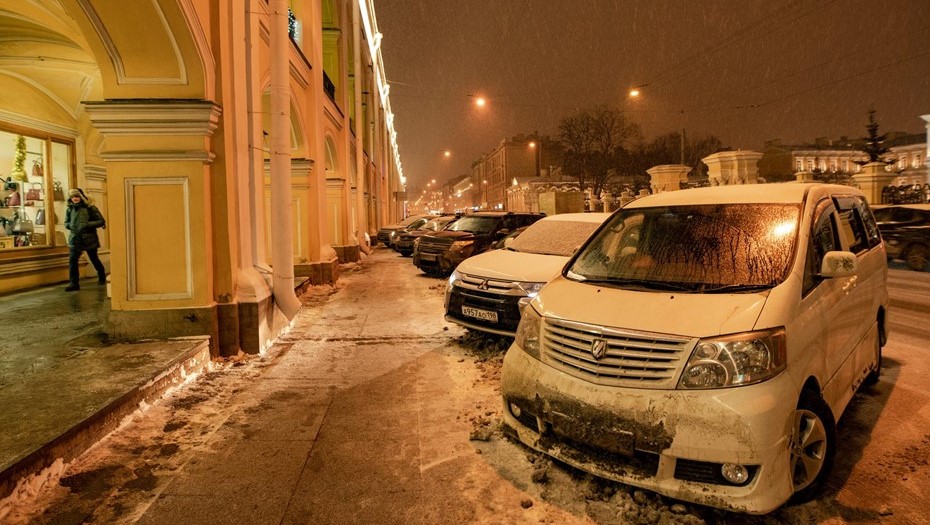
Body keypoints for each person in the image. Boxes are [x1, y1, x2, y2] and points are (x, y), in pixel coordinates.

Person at [64, 188, 107, 291]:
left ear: (81, 197)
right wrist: (70, 226)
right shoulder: (69, 209)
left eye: (77, 196)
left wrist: (87, 224)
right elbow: (66, 222)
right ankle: (74, 283)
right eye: (73, 197)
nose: (75, 199)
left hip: (89, 238)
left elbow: (101, 221)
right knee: (72, 260)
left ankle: (101, 275)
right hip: (75, 237)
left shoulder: (90, 208)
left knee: (94, 258)